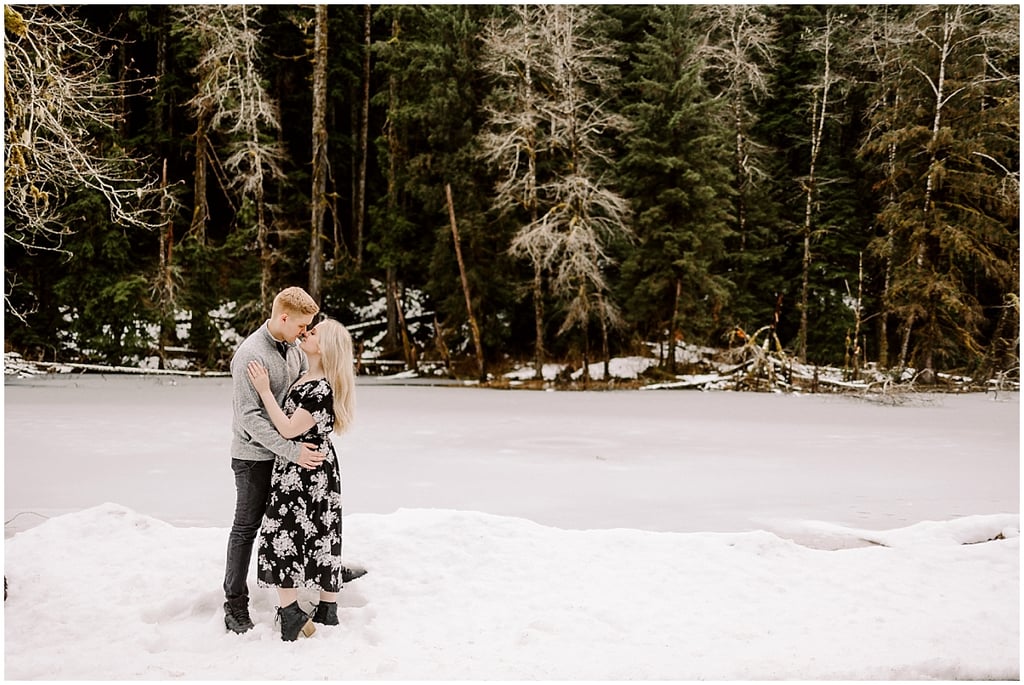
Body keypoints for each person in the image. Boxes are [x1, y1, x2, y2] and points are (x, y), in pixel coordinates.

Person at [246, 318, 356, 641]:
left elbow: (289, 429)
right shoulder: (307, 377)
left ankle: (293, 612)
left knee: (286, 530)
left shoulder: (320, 389)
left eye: (313, 332)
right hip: (306, 465)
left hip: (305, 470)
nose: (306, 333)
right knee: (319, 529)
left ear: (324, 347)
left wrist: (265, 391)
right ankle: (326, 608)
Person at [223, 287, 324, 635]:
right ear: (284, 317)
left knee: (290, 524)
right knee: (246, 528)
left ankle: (310, 585)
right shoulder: (250, 354)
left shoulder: (293, 349)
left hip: (284, 455)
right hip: (254, 458)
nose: (305, 333)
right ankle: (234, 604)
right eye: (302, 325)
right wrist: (292, 450)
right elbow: (250, 417)